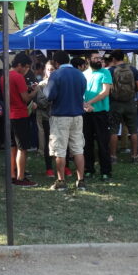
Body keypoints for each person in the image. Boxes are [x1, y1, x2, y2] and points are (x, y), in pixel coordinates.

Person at [44, 51, 87, 191]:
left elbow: (49, 95)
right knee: (78, 149)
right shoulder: (80, 74)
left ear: (56, 63)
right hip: (77, 115)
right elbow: (82, 92)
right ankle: (81, 181)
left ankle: (61, 181)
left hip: (60, 116)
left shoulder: (56, 75)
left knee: (60, 151)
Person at [0, 52, 39, 187]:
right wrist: (35, 91)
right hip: (20, 115)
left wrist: (27, 88)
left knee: (12, 147)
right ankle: (21, 177)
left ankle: (12, 174)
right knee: (22, 148)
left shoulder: (4, 76)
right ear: (20, 65)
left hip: (9, 115)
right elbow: (26, 98)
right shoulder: (18, 77)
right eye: (26, 67)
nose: (27, 70)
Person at [107, 50, 138, 163]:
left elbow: (108, 89)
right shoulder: (133, 69)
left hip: (115, 103)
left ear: (113, 59)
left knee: (113, 130)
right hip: (130, 103)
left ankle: (113, 157)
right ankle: (134, 156)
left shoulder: (110, 71)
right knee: (133, 130)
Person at [82, 51, 113, 181]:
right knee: (87, 143)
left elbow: (105, 92)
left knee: (102, 143)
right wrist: (84, 104)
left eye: (99, 58)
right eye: (95, 58)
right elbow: (81, 92)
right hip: (86, 113)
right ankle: (89, 169)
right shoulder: (83, 74)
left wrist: (90, 102)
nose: (99, 60)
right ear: (88, 60)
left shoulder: (105, 72)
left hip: (101, 113)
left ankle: (105, 171)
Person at [34, 61, 55, 177]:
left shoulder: (59, 82)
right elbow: (41, 101)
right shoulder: (41, 84)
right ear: (45, 71)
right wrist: (52, 99)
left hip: (58, 116)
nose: (51, 71)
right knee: (47, 142)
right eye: (49, 69)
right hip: (46, 116)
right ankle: (49, 168)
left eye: (52, 69)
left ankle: (65, 166)